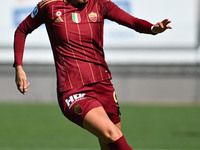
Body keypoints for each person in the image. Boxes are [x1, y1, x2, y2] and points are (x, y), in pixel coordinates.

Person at [13, 0, 172, 149]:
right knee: (112, 134)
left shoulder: (100, 4)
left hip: (104, 86)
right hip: (73, 90)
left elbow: (132, 21)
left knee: (110, 145)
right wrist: (19, 67)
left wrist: (153, 29)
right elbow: (22, 30)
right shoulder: (49, 7)